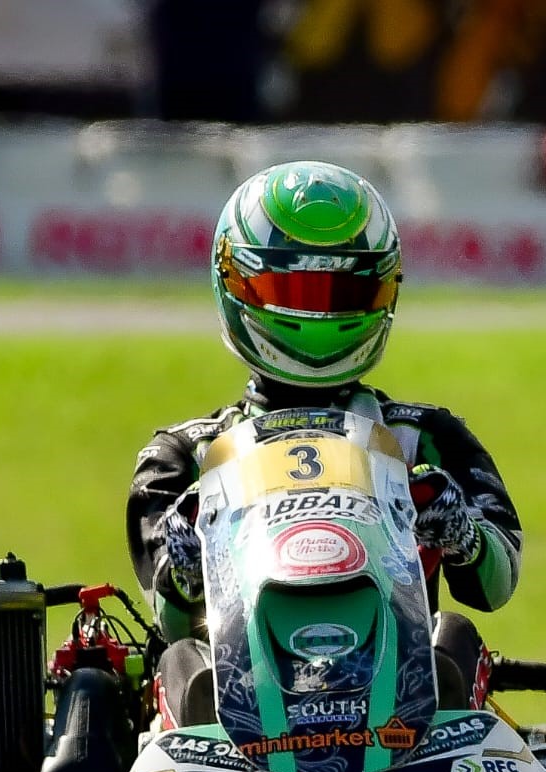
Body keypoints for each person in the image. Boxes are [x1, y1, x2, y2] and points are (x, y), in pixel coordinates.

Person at [125, 160, 523, 726]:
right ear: (237, 285)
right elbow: (170, 616)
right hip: (235, 713)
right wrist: (188, 559)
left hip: (406, 706)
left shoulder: (423, 438)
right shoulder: (184, 458)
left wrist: (461, 533)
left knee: (454, 636)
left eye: (344, 292)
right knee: (181, 660)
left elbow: (498, 582)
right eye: (296, 290)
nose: (320, 313)